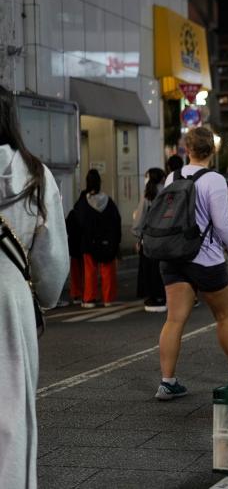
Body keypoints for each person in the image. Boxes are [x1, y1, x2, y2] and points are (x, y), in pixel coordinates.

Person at [156, 126, 228, 400]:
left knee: (174, 320)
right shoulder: (213, 180)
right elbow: (223, 224)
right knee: (224, 316)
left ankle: (167, 382)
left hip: (174, 256)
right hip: (206, 259)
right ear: (212, 151)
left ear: (186, 150)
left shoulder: (172, 177)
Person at [0, 85, 69, 488]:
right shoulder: (35, 175)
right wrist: (43, 294)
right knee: (11, 412)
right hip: (10, 301)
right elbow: (52, 266)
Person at [75, 169, 121, 308]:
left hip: (89, 242)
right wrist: (115, 241)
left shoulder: (83, 202)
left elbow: (79, 221)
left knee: (90, 271)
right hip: (107, 242)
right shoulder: (108, 201)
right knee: (107, 270)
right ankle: (108, 298)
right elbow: (116, 221)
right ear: (100, 182)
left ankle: (89, 298)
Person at [133, 167, 167, 311]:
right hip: (166, 237)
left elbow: (140, 219)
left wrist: (138, 235)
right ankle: (163, 296)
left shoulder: (148, 194)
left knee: (149, 269)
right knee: (163, 268)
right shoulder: (167, 192)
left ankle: (153, 297)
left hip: (149, 238)